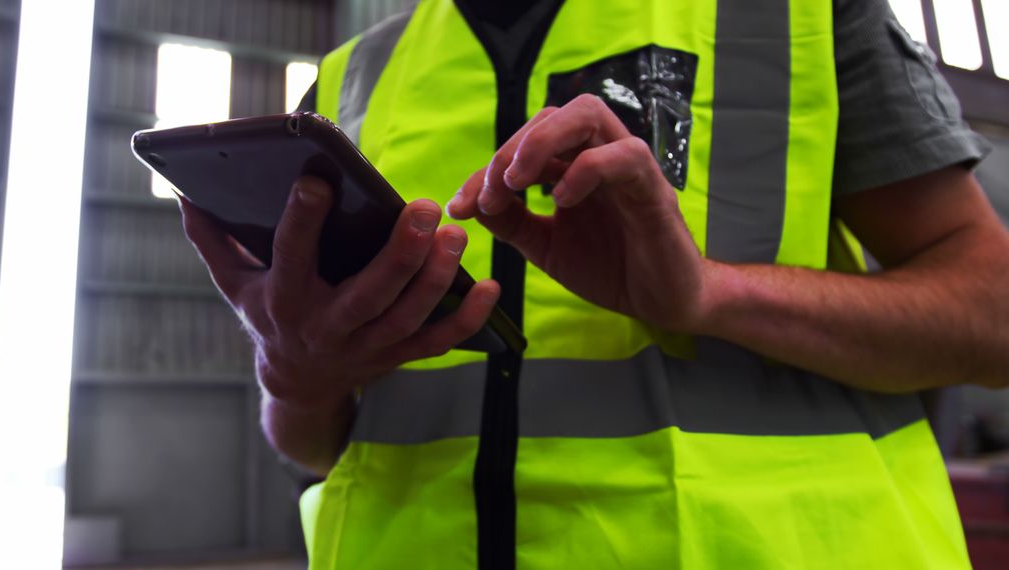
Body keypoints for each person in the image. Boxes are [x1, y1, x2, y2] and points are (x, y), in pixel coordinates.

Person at [178, 0, 1009, 567]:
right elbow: (318, 444)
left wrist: (712, 294)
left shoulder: (789, 18)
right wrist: (294, 377)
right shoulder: (355, 76)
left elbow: (993, 314)